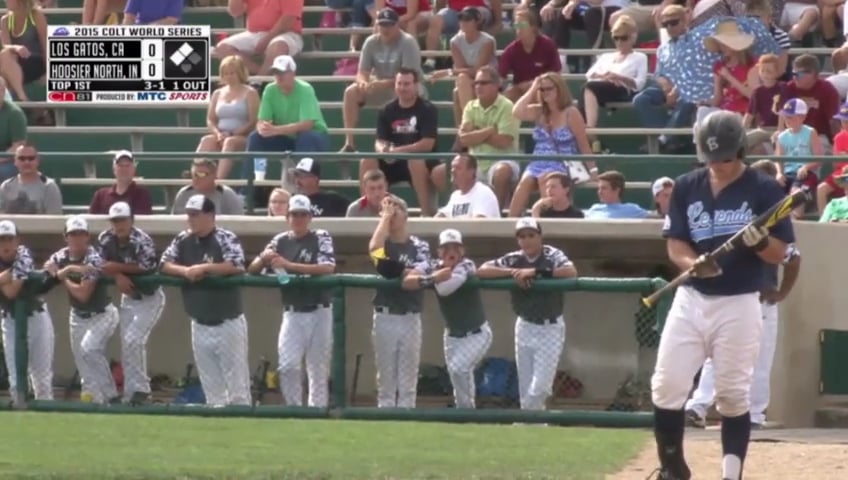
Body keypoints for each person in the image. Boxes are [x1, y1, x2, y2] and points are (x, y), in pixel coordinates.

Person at [649, 110, 794, 480]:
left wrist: (760, 241)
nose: (718, 165)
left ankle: (732, 474)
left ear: (740, 151)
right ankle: (672, 468)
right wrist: (691, 262)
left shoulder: (764, 189)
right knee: (667, 386)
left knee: (731, 394)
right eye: (710, 157)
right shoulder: (686, 185)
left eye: (725, 157)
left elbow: (782, 253)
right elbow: (676, 243)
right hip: (692, 297)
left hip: (741, 300)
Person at [685, 159, 801, 430]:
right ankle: (698, 407)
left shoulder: (774, 227)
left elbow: (794, 259)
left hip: (761, 300)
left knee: (761, 359)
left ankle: (754, 416)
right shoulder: (733, 215)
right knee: (717, 356)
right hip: (729, 297)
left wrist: (782, 293)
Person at [160, 194, 252, 407]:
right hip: (199, 322)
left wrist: (204, 268)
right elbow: (164, 263)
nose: (190, 219)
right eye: (189, 214)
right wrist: (186, 271)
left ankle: (242, 425)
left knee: (236, 385)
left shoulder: (224, 237)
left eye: (195, 215)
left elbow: (237, 265)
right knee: (211, 385)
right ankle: (218, 428)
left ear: (210, 215)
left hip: (228, 322)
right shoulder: (183, 239)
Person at [478, 217, 577, 411]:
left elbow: (570, 272)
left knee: (539, 387)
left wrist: (536, 272)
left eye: (531, 235)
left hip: (550, 326)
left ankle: (530, 421)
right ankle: (533, 427)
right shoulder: (515, 258)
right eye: (522, 237)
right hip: (525, 325)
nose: (527, 240)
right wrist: (514, 272)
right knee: (525, 386)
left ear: (540, 236)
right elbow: (483, 270)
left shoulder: (551, 254)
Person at [248, 194, 336, 407]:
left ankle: (317, 413)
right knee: (288, 366)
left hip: (320, 310)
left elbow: (328, 267)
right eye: (294, 214)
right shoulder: (280, 240)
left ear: (310, 217)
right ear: (287, 217)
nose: (298, 219)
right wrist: (264, 258)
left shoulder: (320, 236)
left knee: (317, 369)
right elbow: (251, 270)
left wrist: (290, 265)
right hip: (293, 311)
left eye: (303, 214)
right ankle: (295, 409)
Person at [402, 229, 493, 409]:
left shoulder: (466, 265)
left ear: (462, 251)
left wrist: (433, 278)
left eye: (455, 248)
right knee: (457, 375)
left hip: (477, 333)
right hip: (452, 335)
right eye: (446, 248)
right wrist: (432, 277)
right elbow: (407, 280)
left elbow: (445, 289)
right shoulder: (433, 265)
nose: (451, 252)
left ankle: (466, 411)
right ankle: (465, 412)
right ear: (439, 252)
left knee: (459, 369)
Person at [45, 216, 120, 405]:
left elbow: (83, 294)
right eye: (72, 234)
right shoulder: (61, 255)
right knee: (84, 367)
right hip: (77, 317)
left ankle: (111, 397)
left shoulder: (94, 257)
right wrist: (61, 270)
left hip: (102, 314)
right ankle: (94, 405)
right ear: (66, 237)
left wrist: (64, 276)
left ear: (87, 237)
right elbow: (49, 266)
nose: (76, 238)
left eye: (80, 234)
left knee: (90, 349)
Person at [96, 202, 164, 405]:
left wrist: (115, 268)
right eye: (116, 220)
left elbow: (146, 266)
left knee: (134, 340)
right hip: (129, 298)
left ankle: (141, 390)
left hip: (150, 297)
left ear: (131, 220)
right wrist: (118, 275)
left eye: (123, 219)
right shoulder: (105, 239)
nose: (120, 224)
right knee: (127, 344)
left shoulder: (141, 239)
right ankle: (130, 393)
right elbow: (98, 264)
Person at [368, 195, 431, 408]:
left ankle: (407, 420)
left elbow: (420, 270)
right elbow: (374, 250)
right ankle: (385, 421)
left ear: (406, 215)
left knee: (408, 379)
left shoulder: (419, 245)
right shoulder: (383, 243)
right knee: (385, 378)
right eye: (388, 211)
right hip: (385, 315)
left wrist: (397, 271)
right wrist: (384, 219)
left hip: (410, 316)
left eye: (396, 211)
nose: (392, 216)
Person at [360, 68, 443, 216]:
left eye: (407, 84)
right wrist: (382, 149)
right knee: (367, 160)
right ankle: (368, 211)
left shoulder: (428, 109)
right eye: (400, 84)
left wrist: (397, 151)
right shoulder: (386, 110)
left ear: (416, 85)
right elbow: (379, 140)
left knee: (415, 161)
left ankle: (426, 214)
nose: (403, 88)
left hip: (422, 161)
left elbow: (427, 144)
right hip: (394, 162)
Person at [340, 9, 424, 154]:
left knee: (405, 90)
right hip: (380, 86)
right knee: (351, 92)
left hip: (408, 86)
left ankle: (404, 142)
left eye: (389, 25)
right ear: (377, 25)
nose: (385, 28)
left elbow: (409, 77)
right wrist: (363, 82)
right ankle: (349, 142)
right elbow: (362, 71)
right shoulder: (371, 42)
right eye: (382, 24)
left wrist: (382, 83)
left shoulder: (408, 42)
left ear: (397, 25)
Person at [511, 72, 593, 217]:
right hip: (538, 161)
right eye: (542, 90)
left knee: (545, 179)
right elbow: (517, 111)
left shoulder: (571, 113)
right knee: (524, 183)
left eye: (549, 89)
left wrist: (594, 171)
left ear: (559, 89)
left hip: (562, 161)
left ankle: (547, 222)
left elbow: (583, 144)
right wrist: (533, 87)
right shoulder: (538, 111)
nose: (545, 92)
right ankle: (511, 225)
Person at [246, 55, 330, 180]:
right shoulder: (269, 90)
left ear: (293, 73)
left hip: (314, 137)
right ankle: (255, 182)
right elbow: (262, 120)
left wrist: (275, 130)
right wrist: (263, 128)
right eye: (276, 73)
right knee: (255, 137)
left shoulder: (305, 89)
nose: (278, 76)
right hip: (286, 138)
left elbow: (307, 125)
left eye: (282, 72)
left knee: (306, 137)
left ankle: (303, 183)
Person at [0, 219, 54, 401]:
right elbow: (8, 290)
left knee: (42, 377)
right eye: (1, 240)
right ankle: (21, 416)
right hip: (11, 320)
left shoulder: (24, 254)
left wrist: (3, 279)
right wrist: (4, 278)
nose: (5, 244)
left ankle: (46, 423)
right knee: (16, 378)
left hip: (37, 317)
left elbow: (12, 291)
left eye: (9, 239)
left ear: (17, 241)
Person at [455, 67, 521, 211]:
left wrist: (476, 133)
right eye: (476, 83)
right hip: (476, 161)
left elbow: (504, 142)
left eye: (483, 83)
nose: (478, 86)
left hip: (503, 159)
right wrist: (490, 130)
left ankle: (495, 214)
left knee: (501, 171)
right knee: (453, 169)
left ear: (497, 85)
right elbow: (464, 140)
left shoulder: (507, 106)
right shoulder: (470, 107)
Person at [580, 14, 648, 154]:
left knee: (588, 88)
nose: (620, 42)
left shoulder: (640, 57)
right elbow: (589, 74)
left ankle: (590, 132)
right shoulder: (606, 56)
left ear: (633, 37)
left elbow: (639, 84)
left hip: (623, 89)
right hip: (602, 87)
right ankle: (590, 134)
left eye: (624, 38)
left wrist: (619, 77)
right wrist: (606, 76)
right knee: (587, 88)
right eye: (616, 38)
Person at [428, 7, 497, 125]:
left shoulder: (488, 41)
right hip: (468, 80)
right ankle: (469, 125)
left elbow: (478, 71)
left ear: (477, 21)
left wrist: (447, 72)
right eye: (460, 18)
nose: (463, 22)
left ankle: (466, 128)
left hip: (487, 79)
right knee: (462, 80)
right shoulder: (455, 41)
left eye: (467, 19)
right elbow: (462, 70)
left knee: (458, 89)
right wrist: (458, 71)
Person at [196, 56, 260, 179]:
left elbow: (253, 121)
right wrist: (218, 134)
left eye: (232, 73)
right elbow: (211, 119)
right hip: (221, 135)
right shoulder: (217, 93)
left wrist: (232, 133)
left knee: (230, 142)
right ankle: (198, 176)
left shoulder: (250, 92)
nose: (229, 76)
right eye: (225, 73)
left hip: (242, 137)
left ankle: (218, 180)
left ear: (240, 73)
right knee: (206, 140)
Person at [214, 0, 305, 75]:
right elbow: (235, 12)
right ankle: (262, 76)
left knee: (277, 46)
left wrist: (267, 39)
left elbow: (289, 19)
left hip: (287, 33)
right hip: (254, 33)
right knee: (222, 48)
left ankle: (257, 84)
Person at [498, 7, 561, 102]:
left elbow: (557, 73)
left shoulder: (548, 45)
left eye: (522, 25)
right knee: (507, 96)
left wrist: (537, 83)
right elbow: (501, 77)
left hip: (543, 88)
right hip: (520, 91)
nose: (519, 29)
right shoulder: (510, 51)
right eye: (516, 26)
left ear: (533, 27)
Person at [424, 0, 501, 70]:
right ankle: (430, 61)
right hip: (455, 12)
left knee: (474, 16)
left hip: (479, 9)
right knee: (436, 19)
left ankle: (472, 61)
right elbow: (440, 3)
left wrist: (498, 21)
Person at [774, 98, 822, 204]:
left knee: (796, 196)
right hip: (788, 174)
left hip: (807, 174)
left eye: (790, 117)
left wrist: (806, 167)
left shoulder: (810, 132)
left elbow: (819, 159)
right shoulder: (781, 136)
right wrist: (779, 173)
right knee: (773, 193)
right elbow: (778, 159)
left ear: (802, 117)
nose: (786, 120)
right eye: (785, 116)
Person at [0, 0, 47, 102]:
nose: (5, 1)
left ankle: (19, 102)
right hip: (16, 64)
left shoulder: (36, 15)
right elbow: (5, 46)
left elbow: (46, 45)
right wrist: (16, 47)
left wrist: (49, 72)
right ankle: (22, 96)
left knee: (4, 71)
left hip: (35, 62)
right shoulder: (5, 20)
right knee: (5, 55)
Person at [0, 143, 62, 214]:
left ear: (37, 160)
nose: (27, 162)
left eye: (31, 158)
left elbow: (54, 220)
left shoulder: (49, 187)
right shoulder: (6, 186)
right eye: (22, 158)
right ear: (15, 161)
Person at [88, 150, 154, 215]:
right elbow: (91, 220)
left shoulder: (142, 194)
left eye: (127, 165)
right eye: (120, 165)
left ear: (134, 169)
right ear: (114, 169)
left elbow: (143, 222)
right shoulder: (100, 195)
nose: (124, 169)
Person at [435, 153, 501, 218]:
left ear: (472, 172)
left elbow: (478, 224)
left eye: (458, 168)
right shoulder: (455, 196)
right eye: (452, 167)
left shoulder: (483, 193)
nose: (452, 171)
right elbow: (442, 216)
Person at [172, 159, 244, 215]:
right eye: (193, 175)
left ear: (214, 176)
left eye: (201, 174)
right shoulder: (184, 193)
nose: (196, 178)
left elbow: (240, 224)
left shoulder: (227, 194)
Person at [583, 170, 649, 219]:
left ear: (616, 190)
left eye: (604, 188)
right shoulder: (594, 208)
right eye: (599, 188)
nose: (599, 192)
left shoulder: (632, 209)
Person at [0, 78, 27, 183]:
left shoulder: (15, 113)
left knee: (3, 171)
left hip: (8, 160)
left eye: (1, 90)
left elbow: (18, 146)